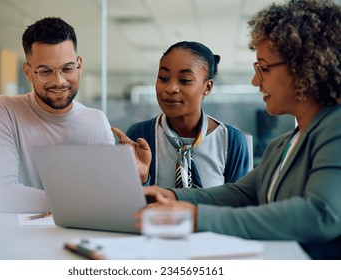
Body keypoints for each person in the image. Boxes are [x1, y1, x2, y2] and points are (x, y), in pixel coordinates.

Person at [140, 0, 341, 260]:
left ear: (306, 67)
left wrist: (195, 217)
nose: (255, 80)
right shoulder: (281, 145)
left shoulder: (335, 127)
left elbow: (321, 213)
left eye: (264, 68)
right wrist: (169, 195)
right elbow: (242, 193)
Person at [0, 17, 115, 213]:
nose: (59, 81)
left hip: (83, 236)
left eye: (67, 68)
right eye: (45, 71)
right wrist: (84, 202)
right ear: (28, 72)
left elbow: (110, 195)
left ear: (79, 65)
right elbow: (1, 195)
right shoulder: (3, 110)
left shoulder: (97, 121)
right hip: (22, 240)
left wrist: (137, 177)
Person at [112, 41, 250, 189]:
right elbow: (128, 205)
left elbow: (238, 204)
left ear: (207, 87)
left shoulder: (232, 141)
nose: (171, 88)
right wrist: (142, 179)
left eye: (185, 81)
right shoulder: (141, 135)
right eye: (163, 78)